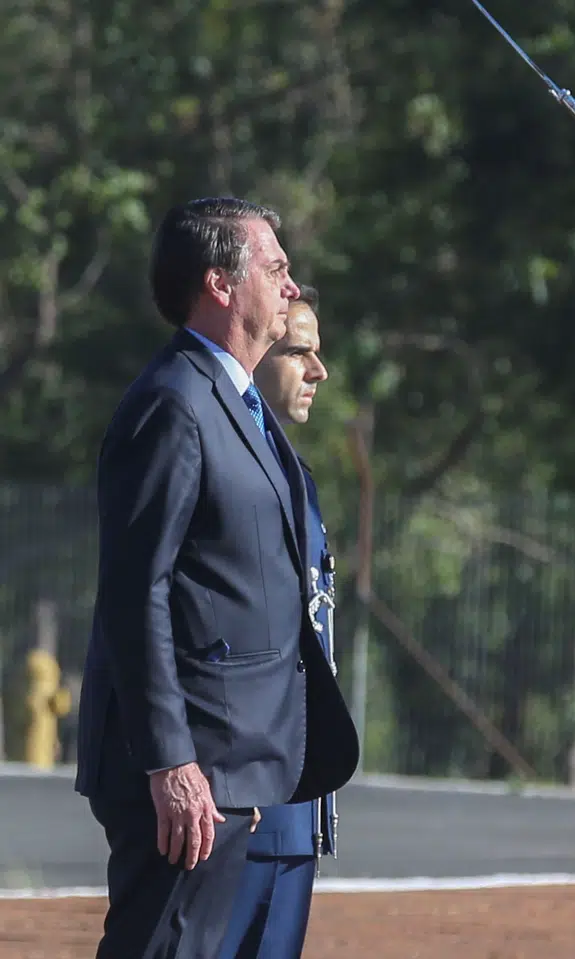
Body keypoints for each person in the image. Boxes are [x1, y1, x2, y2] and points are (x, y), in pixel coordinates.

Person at [75, 198, 359, 959]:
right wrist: (172, 760)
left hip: (231, 768)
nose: (291, 286)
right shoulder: (173, 403)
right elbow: (136, 594)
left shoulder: (234, 401)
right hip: (187, 774)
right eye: (276, 268)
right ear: (221, 284)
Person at [221, 284, 339, 959]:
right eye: (298, 352)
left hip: (294, 806)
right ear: (255, 349)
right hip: (237, 800)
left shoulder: (298, 475)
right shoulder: (220, 463)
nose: (318, 370)